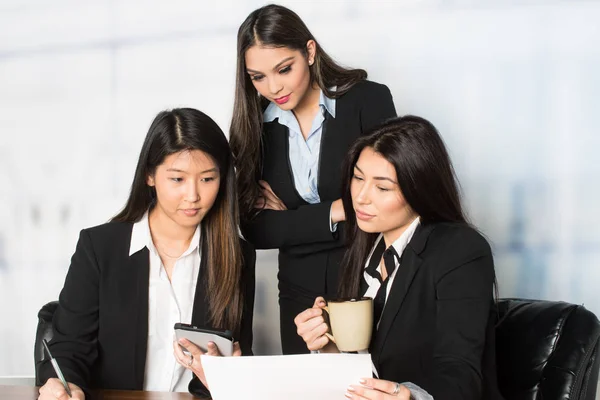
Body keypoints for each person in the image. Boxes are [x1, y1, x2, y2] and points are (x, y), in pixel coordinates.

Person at [37, 108, 255, 399]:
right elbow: (68, 349)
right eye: (177, 179)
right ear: (150, 176)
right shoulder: (100, 248)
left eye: (207, 179)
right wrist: (65, 386)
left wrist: (230, 376)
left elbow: (240, 357)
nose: (193, 195)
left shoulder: (236, 257)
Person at [295, 116, 504, 400]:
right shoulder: (365, 245)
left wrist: (410, 398)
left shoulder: (460, 249)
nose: (361, 198)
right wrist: (329, 346)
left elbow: (461, 374)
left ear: (420, 188)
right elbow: (370, 369)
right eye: (358, 178)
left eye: (382, 187)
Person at [229, 4, 397, 354]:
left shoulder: (368, 101)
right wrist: (336, 211)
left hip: (366, 281)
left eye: (284, 69)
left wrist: (291, 221)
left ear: (309, 52)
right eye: (258, 77)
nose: (273, 87)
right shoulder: (255, 126)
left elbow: (390, 199)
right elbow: (257, 229)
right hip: (298, 293)